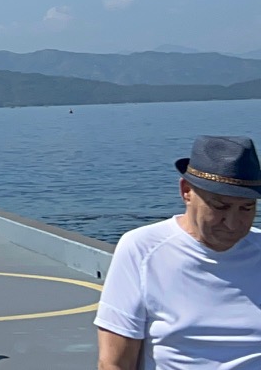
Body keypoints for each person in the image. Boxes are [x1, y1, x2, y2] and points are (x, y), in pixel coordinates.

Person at [95, 135, 261, 370]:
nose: (233, 224)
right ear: (186, 191)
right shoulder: (142, 249)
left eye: (247, 208)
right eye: (220, 206)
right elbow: (114, 363)